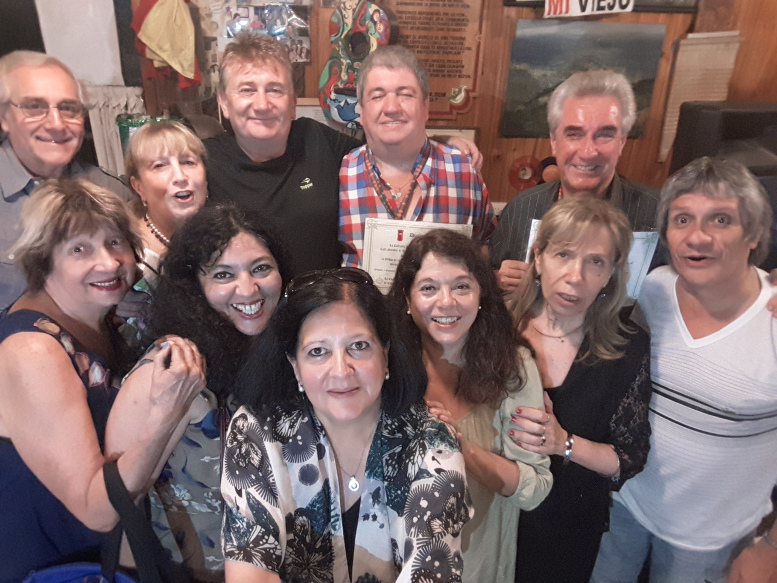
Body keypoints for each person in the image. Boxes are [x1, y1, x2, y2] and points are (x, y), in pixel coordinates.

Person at [0, 177, 205, 583]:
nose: (109, 263)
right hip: (57, 566)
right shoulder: (33, 350)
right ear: (44, 261)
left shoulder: (97, 318)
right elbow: (98, 510)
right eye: (80, 249)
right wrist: (166, 414)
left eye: (115, 243)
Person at [591, 157, 777, 583]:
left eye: (721, 220)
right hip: (625, 503)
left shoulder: (771, 322)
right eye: (682, 220)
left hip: (711, 540)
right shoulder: (653, 288)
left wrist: (771, 547)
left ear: (754, 233)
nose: (697, 237)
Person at [221, 268, 472, 582]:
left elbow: (431, 569)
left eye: (359, 346)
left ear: (386, 353)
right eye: (318, 352)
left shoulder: (430, 442)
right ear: (295, 366)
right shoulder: (257, 432)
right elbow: (250, 571)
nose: (341, 371)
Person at [106, 203, 290, 582]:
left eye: (261, 268)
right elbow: (120, 506)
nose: (248, 288)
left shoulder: (289, 353)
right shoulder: (169, 367)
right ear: (193, 287)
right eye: (223, 274)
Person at [206, 34, 482, 278]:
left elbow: (385, 142)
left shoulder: (320, 143)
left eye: (275, 90)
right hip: (242, 309)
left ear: (293, 103)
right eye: (247, 90)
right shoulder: (203, 162)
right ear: (224, 103)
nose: (262, 104)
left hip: (321, 312)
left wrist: (444, 142)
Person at [388, 229, 552, 582]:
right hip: (396, 559)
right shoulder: (385, 366)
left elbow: (535, 489)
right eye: (428, 288)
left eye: (461, 286)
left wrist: (460, 449)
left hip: (478, 562)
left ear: (481, 295)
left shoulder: (513, 367)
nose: (446, 302)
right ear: (407, 299)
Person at [507, 197, 652, 583]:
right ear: (539, 257)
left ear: (611, 273)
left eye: (596, 262)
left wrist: (563, 443)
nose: (576, 276)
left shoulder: (626, 348)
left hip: (566, 528)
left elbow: (628, 458)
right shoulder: (496, 326)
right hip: (493, 512)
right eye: (564, 254)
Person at [489, 70, 660, 293]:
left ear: (622, 142)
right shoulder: (521, 209)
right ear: (553, 141)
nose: (588, 152)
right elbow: (491, 278)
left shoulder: (658, 214)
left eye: (605, 135)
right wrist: (497, 279)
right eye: (574, 134)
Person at [339, 46, 496, 268]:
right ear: (362, 112)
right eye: (377, 96)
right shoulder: (341, 173)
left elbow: (487, 247)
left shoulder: (463, 170)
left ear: (425, 107)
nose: (391, 107)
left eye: (405, 94)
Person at [0, 51, 132, 308]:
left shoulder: (112, 193)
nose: (57, 124)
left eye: (68, 108)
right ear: (4, 117)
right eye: (34, 107)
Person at [124, 120, 209, 279]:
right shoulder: (128, 254)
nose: (180, 177)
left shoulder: (225, 236)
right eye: (160, 165)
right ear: (138, 187)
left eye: (188, 162)